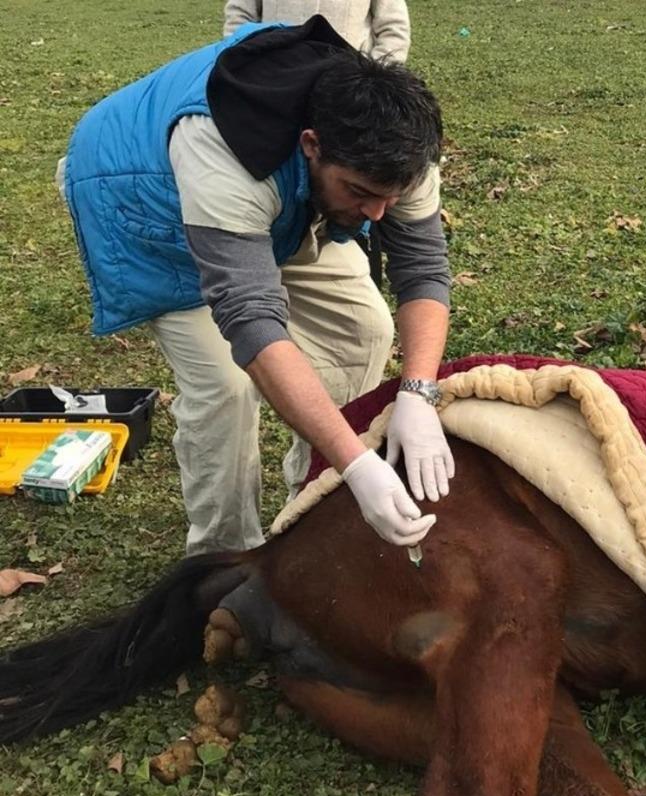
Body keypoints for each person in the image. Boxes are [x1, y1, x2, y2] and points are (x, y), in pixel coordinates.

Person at [57, 16, 454, 554]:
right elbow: (249, 316)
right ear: (313, 144)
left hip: (281, 194)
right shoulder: (223, 152)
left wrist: (417, 393)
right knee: (226, 386)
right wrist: (359, 464)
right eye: (361, 192)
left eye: (391, 196)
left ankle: (313, 504)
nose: (378, 214)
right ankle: (227, 559)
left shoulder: (395, 150)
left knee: (361, 328)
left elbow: (423, 267)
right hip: (144, 197)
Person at [223, 0, 411, 62]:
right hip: (274, 80)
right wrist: (246, 64)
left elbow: (394, 30)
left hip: (345, 88)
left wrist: (371, 79)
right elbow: (239, 18)